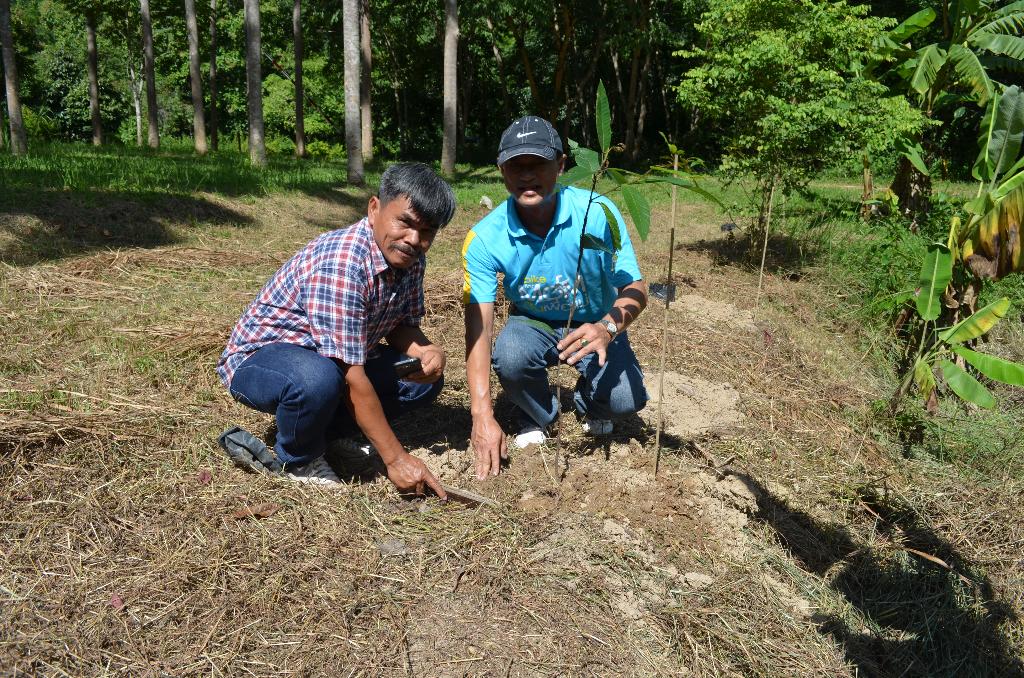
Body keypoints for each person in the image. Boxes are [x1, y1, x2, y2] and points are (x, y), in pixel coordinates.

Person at [217, 162, 454, 498]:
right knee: (320, 379)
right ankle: (299, 458)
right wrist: (396, 458)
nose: (414, 239)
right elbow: (350, 374)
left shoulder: (410, 257)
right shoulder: (342, 263)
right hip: (263, 362)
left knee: (419, 379)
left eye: (427, 231)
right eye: (405, 222)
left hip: (333, 359)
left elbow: (401, 326)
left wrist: (427, 351)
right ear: (374, 209)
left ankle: (328, 433)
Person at [462, 116, 649, 481]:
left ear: (561, 165)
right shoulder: (485, 237)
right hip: (531, 320)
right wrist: (481, 413)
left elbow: (636, 288)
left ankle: (586, 401)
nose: (527, 175)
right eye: (516, 165)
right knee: (511, 355)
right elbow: (479, 329)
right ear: (501, 170)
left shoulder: (597, 213)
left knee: (626, 400)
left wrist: (607, 328)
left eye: (538, 164)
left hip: (597, 322)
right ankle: (539, 413)